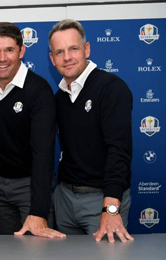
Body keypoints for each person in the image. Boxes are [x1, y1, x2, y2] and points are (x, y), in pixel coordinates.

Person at [49, 19, 133, 242]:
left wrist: (111, 210)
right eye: (59, 51)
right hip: (65, 199)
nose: (67, 57)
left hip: (102, 201)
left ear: (86, 49)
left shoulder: (111, 88)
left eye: (73, 49)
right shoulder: (59, 97)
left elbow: (119, 151)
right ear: (52, 58)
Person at [0, 22, 65, 238]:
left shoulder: (39, 91)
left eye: (9, 50)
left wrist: (38, 210)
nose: (2, 58)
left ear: (21, 51)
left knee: (36, 250)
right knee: (4, 250)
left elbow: (43, 153)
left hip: (31, 187)